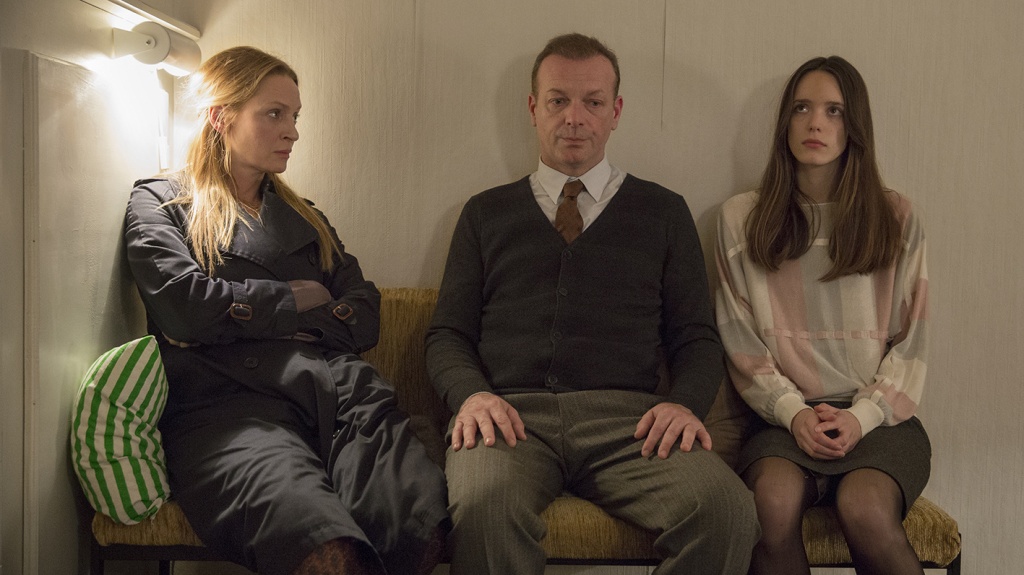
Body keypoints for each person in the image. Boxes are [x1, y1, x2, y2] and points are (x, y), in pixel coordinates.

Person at [425, 32, 759, 575]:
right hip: (509, 420)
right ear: (533, 108)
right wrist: (472, 396)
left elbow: (696, 336)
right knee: (484, 507)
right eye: (558, 100)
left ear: (615, 112)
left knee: (725, 509)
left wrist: (684, 404)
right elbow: (447, 335)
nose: (574, 118)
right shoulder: (484, 214)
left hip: (631, 426)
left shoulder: (664, 212)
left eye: (593, 102)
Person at [123, 46, 449, 575]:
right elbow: (185, 309)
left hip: (345, 400)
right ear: (221, 117)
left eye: (294, 116)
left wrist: (249, 318)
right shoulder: (163, 203)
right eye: (274, 113)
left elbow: (365, 311)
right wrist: (298, 298)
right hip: (232, 412)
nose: (292, 131)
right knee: (325, 552)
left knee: (420, 527)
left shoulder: (304, 215)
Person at [715, 55, 931, 575]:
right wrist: (795, 413)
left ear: (855, 126)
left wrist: (861, 416)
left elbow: (912, 344)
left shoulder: (896, 217)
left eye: (834, 111)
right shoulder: (740, 219)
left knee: (866, 508)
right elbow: (740, 343)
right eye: (802, 108)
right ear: (784, 122)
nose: (816, 123)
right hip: (782, 420)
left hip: (880, 421)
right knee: (770, 507)